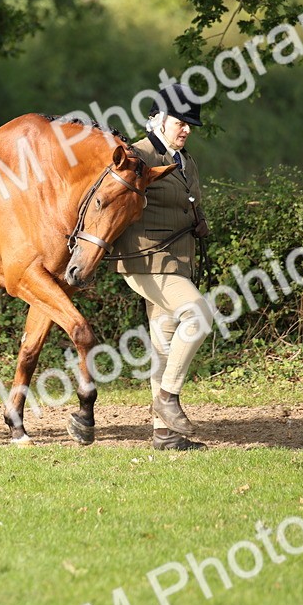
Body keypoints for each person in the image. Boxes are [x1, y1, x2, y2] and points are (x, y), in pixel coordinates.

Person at [110, 83, 213, 451]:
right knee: (198, 316)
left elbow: (187, 201)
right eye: (179, 122)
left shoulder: (185, 160)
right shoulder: (135, 156)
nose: (186, 129)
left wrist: (198, 219)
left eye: (189, 124)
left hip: (177, 259)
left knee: (165, 345)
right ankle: (167, 398)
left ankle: (164, 434)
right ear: (157, 120)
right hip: (146, 260)